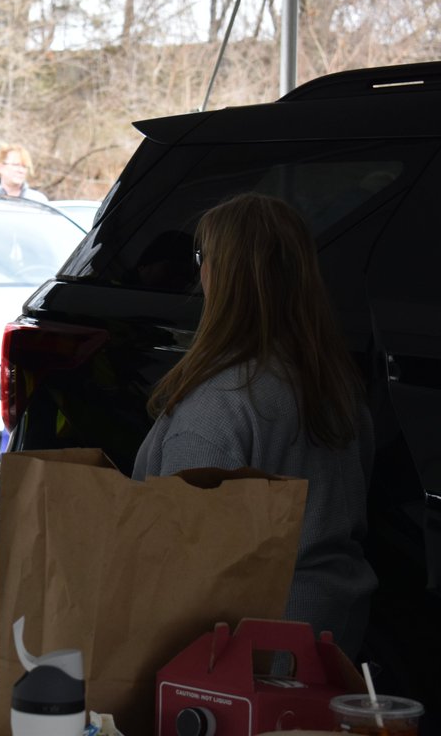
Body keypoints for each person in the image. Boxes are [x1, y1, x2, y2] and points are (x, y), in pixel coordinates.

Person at [131, 193, 376, 659]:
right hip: (337, 632)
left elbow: (184, 555)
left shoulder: (217, 405)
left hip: (251, 652)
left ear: (221, 273)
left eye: (201, 257)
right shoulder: (333, 383)